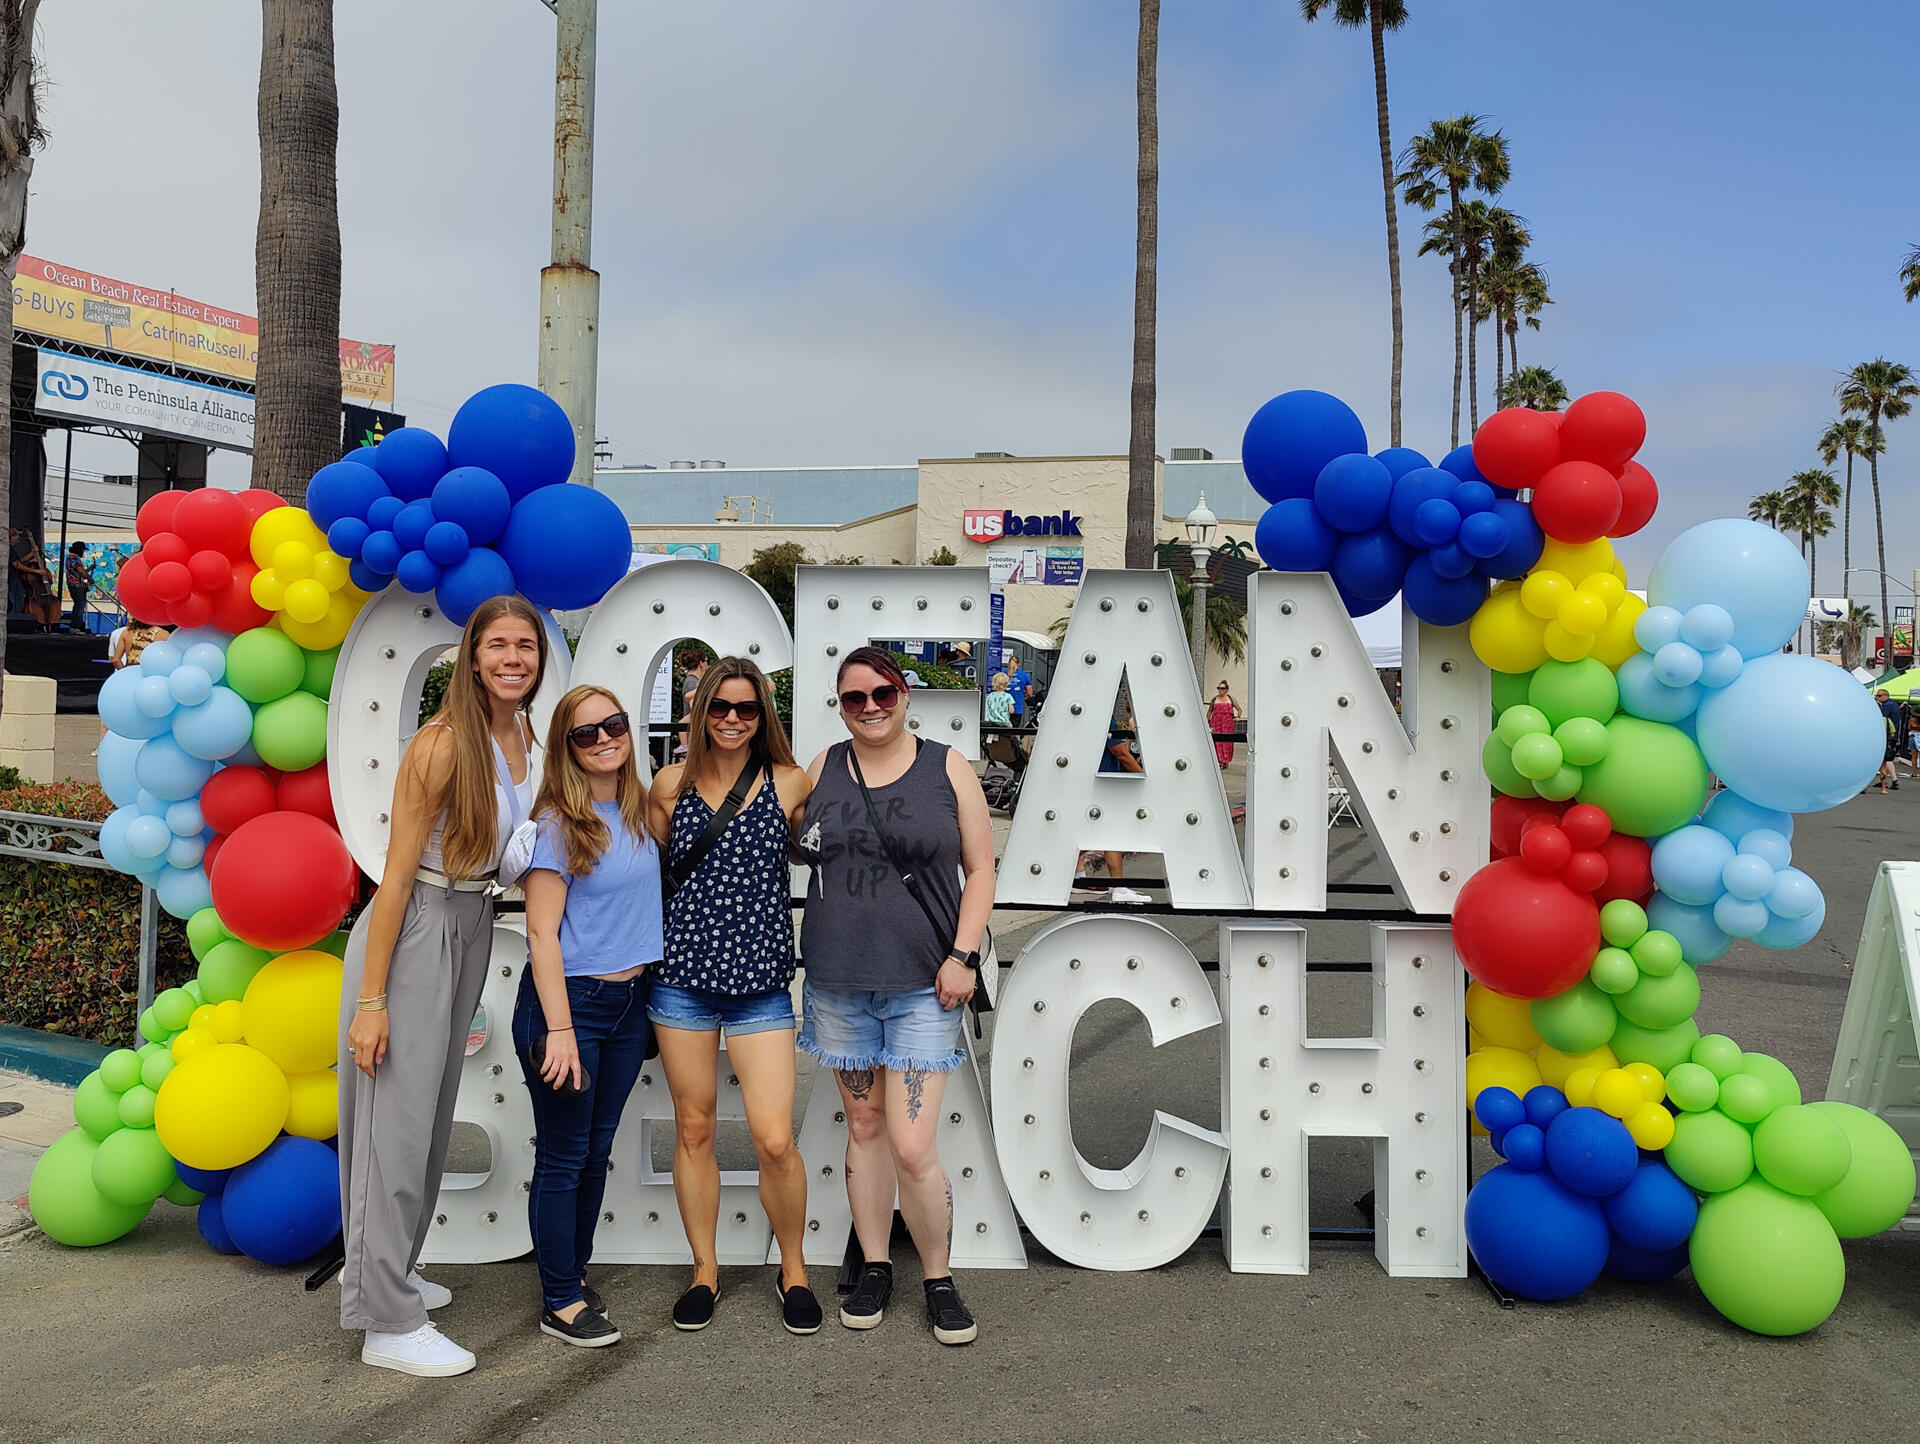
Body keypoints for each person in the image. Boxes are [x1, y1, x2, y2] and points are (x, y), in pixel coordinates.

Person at [338, 595, 547, 1377]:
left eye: (525, 645)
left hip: (469, 922)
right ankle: (383, 1320)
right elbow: (391, 881)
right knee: (390, 1126)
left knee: (425, 1119)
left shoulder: (522, 733)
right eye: (498, 644)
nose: (513, 657)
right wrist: (372, 1001)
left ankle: (394, 1273)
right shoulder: (441, 743)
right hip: (417, 924)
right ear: (471, 654)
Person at [797, 646, 995, 1345]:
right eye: (856, 699)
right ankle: (876, 1265)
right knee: (867, 1131)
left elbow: (980, 868)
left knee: (913, 1146)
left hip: (924, 985)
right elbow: (767, 828)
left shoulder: (947, 765)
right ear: (841, 705)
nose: (872, 707)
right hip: (839, 983)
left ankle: (938, 1276)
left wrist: (963, 955)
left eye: (882, 693)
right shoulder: (821, 768)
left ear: (904, 693)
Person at [646, 657, 822, 1336]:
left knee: (775, 1139)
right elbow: (653, 880)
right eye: (719, 707)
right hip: (683, 981)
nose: (731, 720)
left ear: (762, 716)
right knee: (692, 1129)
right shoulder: (668, 786)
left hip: (760, 985)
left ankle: (795, 1268)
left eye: (746, 709)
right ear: (700, 712)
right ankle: (705, 1271)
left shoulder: (788, 781)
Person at [516, 683, 662, 1349]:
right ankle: (561, 1299)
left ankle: (570, 1273)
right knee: (566, 1154)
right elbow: (541, 934)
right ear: (565, 748)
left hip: (630, 1006)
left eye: (615, 725)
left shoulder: (636, 812)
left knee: (595, 1151)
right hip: (570, 1007)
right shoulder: (556, 827)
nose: (605, 738)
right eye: (585, 733)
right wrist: (562, 1031)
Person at [1074, 692, 1152, 905]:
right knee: (1112, 834)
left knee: (1092, 832)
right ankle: (1119, 887)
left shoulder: (1086, 708)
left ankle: (1076, 875)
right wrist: (1145, 778)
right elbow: (1120, 752)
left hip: (1090, 778)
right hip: (1104, 781)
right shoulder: (1103, 713)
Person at [9, 529, 58, 631]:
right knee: (16, 602)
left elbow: (20, 561)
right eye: (16, 539)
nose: (17, 542)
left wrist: (33, 553)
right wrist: (36, 571)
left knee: (18, 601)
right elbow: (17, 565)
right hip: (13, 578)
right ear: (11, 537)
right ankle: (14, 626)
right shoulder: (8, 549)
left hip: (15, 578)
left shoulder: (11, 549)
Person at [1873, 689, 1902, 793]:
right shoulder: (1894, 705)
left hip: (1886, 736)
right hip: (1893, 735)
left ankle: (1893, 781)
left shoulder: (1886, 706)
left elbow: (1882, 719)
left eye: (1879, 696)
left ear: (1885, 696)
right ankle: (1886, 782)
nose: (1878, 698)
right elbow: (1898, 721)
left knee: (1885, 760)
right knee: (1886, 760)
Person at [1209, 681, 1243, 768]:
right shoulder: (1214, 699)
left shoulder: (1231, 699)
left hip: (1227, 724)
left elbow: (1239, 709)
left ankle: (1226, 761)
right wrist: (1207, 722)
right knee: (1217, 742)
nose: (1220, 690)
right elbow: (1210, 711)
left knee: (1227, 742)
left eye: (1222, 688)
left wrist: (1238, 717)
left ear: (1226, 690)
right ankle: (1219, 761)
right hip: (1216, 723)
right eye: (1219, 688)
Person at [64, 542, 93, 632]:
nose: (83, 552)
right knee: (79, 605)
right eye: (83, 550)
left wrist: (89, 569)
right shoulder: (73, 557)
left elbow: (77, 571)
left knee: (79, 604)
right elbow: (80, 571)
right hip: (75, 584)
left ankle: (76, 624)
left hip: (75, 584)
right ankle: (75, 627)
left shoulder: (72, 558)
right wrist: (90, 578)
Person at [1005, 652, 1033, 725]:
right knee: (1013, 730)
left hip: (1004, 708)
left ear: (1008, 664)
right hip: (1017, 708)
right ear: (1018, 664)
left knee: (1003, 731)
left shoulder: (1003, 674)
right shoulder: (1025, 675)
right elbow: (1030, 694)